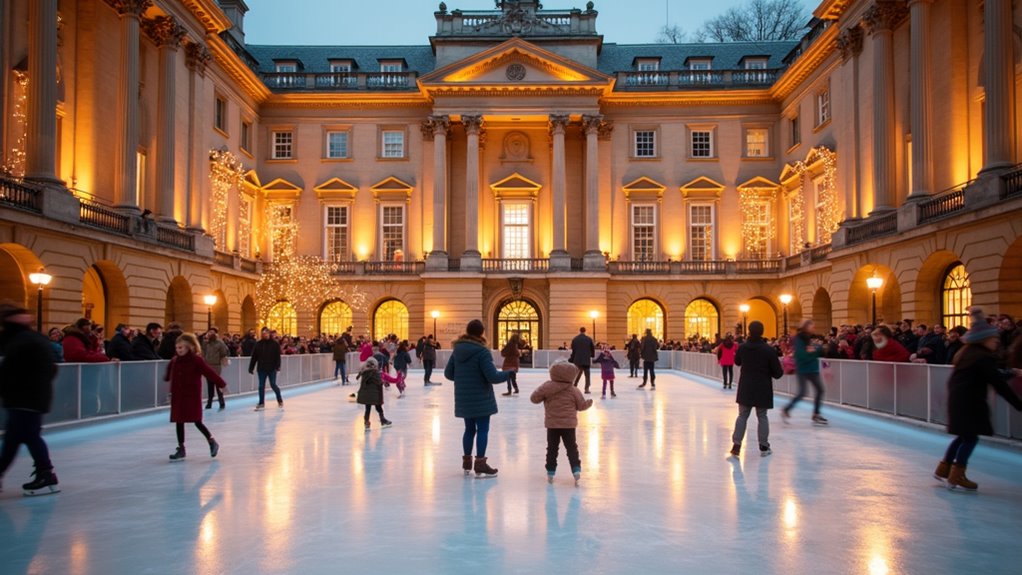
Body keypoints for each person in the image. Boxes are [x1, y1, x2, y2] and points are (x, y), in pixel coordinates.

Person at [934, 308, 1022, 491]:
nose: (997, 342)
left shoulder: (967, 353)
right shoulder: (982, 357)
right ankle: (956, 476)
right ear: (985, 339)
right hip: (970, 403)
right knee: (970, 438)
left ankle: (944, 469)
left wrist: (1010, 372)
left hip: (960, 400)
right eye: (994, 339)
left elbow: (989, 376)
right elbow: (997, 383)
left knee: (963, 436)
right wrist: (1018, 404)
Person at [0, 305, 60, 495]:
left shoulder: (22, 341)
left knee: (20, 437)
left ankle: (46, 474)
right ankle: (46, 474)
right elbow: (52, 368)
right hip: (31, 397)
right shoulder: (32, 338)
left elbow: (9, 370)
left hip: (24, 398)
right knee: (21, 436)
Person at [445, 319, 510, 478]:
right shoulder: (482, 352)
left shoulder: (457, 350)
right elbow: (493, 376)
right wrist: (509, 374)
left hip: (464, 397)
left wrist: (464, 379)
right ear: (481, 333)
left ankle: (467, 463)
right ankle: (480, 464)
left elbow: (448, 373)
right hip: (481, 397)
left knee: (469, 429)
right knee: (482, 429)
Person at [530, 360, 593, 485]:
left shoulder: (547, 387)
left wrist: (543, 396)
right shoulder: (573, 390)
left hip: (552, 424)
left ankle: (550, 471)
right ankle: (576, 469)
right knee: (571, 448)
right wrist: (588, 404)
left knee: (552, 448)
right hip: (569, 425)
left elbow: (534, 398)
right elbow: (581, 406)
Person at [166, 333, 225, 461]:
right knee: (179, 421)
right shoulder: (175, 360)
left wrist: (221, 384)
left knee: (197, 421)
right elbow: (172, 375)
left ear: (189, 347)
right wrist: (170, 391)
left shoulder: (196, 360)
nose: (178, 350)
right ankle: (181, 448)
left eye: (181, 348)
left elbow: (209, 373)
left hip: (191, 396)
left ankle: (211, 441)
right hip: (178, 396)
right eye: (177, 348)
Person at [729, 321, 783, 458]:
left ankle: (736, 445)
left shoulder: (742, 348)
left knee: (742, 416)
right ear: (762, 331)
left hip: (746, 385)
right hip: (762, 386)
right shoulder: (768, 350)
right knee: (762, 416)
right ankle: (764, 446)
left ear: (749, 331)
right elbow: (778, 373)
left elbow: (737, 362)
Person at [781, 319, 828, 425]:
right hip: (803, 369)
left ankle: (816, 414)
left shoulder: (808, 339)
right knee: (802, 392)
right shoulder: (799, 339)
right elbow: (801, 355)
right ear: (806, 327)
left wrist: (815, 350)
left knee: (820, 390)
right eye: (812, 326)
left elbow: (816, 351)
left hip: (812, 369)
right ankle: (787, 409)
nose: (814, 328)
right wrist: (815, 351)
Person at [248, 327, 283, 410]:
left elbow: (277, 356)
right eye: (263, 333)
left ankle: (279, 399)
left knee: (273, 384)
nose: (265, 335)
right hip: (261, 368)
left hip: (271, 368)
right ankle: (261, 402)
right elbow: (254, 357)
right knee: (261, 386)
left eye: (266, 333)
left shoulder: (275, 344)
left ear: (269, 334)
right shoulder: (258, 344)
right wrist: (251, 367)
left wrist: (277, 366)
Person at [356, 358, 392, 431]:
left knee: (367, 409)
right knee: (379, 407)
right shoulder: (375, 373)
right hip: (375, 395)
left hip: (367, 395)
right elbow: (379, 382)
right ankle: (382, 419)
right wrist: (383, 381)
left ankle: (366, 422)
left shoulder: (364, 373)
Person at [201, 328, 230, 410]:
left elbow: (224, 352)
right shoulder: (206, 343)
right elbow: (203, 351)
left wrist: (221, 359)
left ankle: (221, 401)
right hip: (207, 365)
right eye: (209, 332)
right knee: (209, 384)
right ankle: (209, 402)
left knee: (218, 384)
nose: (210, 334)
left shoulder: (220, 342)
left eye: (212, 332)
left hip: (216, 366)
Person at [569, 326, 595, 393]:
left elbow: (573, 350)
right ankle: (586, 388)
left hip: (577, 360)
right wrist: (592, 356)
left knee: (577, 374)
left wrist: (572, 359)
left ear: (579, 331)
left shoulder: (575, 339)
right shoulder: (589, 339)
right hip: (586, 360)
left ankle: (574, 386)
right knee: (587, 375)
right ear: (585, 331)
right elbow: (592, 349)